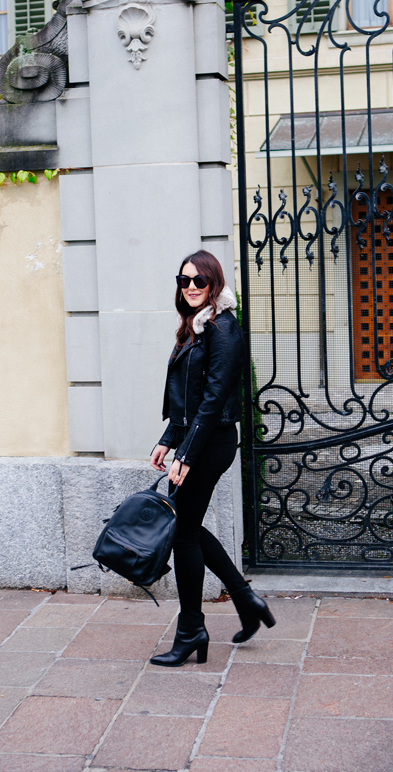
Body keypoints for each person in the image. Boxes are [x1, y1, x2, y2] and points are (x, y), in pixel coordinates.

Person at [150, 249, 275, 667]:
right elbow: (186, 396)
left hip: (211, 442)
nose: (189, 287)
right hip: (195, 440)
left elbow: (213, 398)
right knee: (186, 526)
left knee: (182, 533)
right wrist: (168, 438)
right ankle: (244, 599)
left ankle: (191, 631)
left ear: (214, 284)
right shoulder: (195, 327)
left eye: (198, 281)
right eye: (183, 280)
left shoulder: (222, 330)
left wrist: (185, 451)